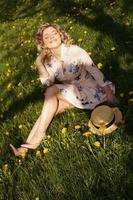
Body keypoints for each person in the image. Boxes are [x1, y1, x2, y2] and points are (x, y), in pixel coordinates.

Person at [10, 23, 117, 157]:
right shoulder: (48, 61)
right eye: (46, 36)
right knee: (49, 110)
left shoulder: (74, 50)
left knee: (51, 94)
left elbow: (94, 70)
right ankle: (24, 149)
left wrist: (108, 93)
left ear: (61, 35)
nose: (51, 37)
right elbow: (47, 83)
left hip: (92, 90)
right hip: (74, 91)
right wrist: (39, 64)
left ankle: (39, 136)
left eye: (54, 33)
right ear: (43, 43)